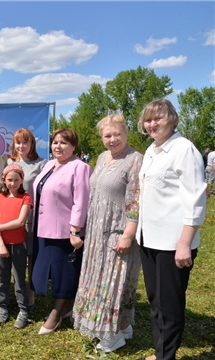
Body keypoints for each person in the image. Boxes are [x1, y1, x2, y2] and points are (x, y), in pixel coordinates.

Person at [136, 99, 206, 360]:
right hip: (149, 238)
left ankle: (166, 356)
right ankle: (161, 352)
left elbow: (195, 198)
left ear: (172, 118)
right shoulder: (153, 151)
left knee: (169, 304)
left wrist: (185, 243)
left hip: (172, 242)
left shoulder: (183, 148)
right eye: (148, 119)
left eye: (158, 118)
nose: (152, 124)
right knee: (156, 300)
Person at [73, 113, 143, 352]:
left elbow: (137, 202)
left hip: (118, 231)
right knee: (102, 279)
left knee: (114, 282)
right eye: (107, 135)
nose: (112, 139)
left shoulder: (135, 160)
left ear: (126, 133)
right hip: (96, 231)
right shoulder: (102, 158)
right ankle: (123, 326)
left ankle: (112, 334)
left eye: (117, 134)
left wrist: (127, 235)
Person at [32, 128, 91, 335]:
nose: (58, 146)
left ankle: (57, 313)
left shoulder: (79, 167)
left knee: (63, 273)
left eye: (64, 143)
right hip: (43, 228)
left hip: (65, 232)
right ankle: (66, 306)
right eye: (55, 142)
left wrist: (75, 230)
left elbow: (81, 201)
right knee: (49, 272)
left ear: (74, 146)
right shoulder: (49, 164)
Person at [6, 128, 47, 309]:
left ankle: (30, 292)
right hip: (11, 217)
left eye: (25, 142)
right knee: (15, 256)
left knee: (31, 256)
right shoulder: (9, 162)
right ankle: (15, 291)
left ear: (31, 144)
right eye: (18, 142)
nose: (21, 146)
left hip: (31, 217)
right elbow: (3, 187)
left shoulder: (42, 164)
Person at [0, 163, 32, 329]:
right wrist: (1, 244)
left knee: (19, 278)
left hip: (18, 245)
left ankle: (23, 309)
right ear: (4, 180)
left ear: (22, 180)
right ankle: (3, 308)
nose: (13, 183)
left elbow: (20, 221)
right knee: (2, 278)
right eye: (9, 180)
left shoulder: (26, 198)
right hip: (1, 244)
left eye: (16, 180)